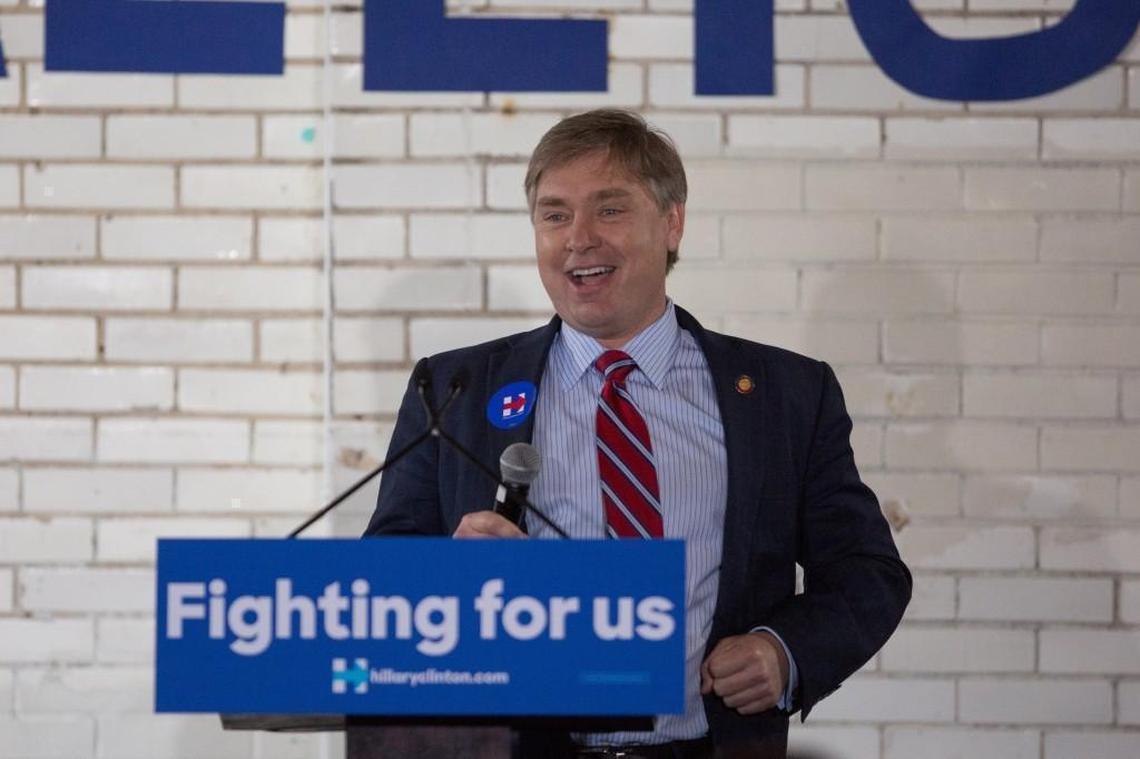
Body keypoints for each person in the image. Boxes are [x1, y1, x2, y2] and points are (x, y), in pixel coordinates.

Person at [364, 109, 911, 758]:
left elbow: (866, 572)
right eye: (555, 214)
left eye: (610, 209)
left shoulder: (787, 395)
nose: (579, 238)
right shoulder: (454, 388)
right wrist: (452, 580)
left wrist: (782, 651)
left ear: (672, 221)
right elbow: (383, 579)